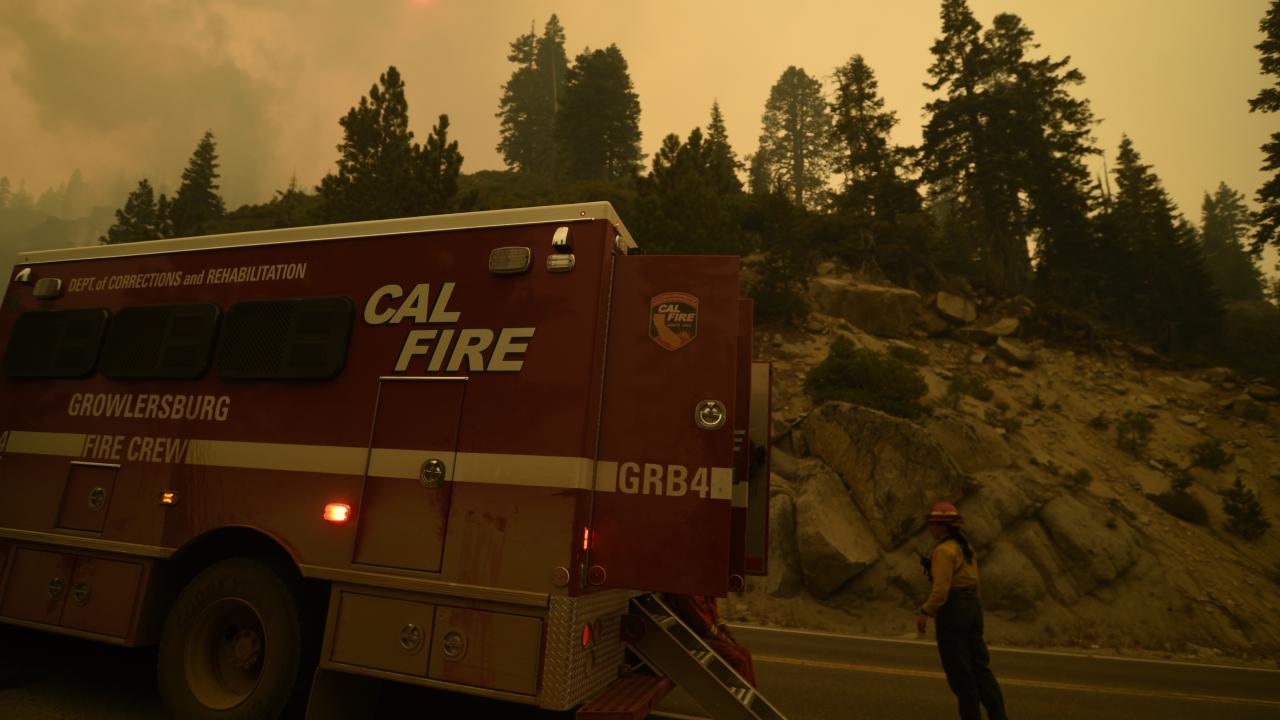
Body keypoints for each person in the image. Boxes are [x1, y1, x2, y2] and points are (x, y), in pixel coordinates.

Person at [915, 501, 1008, 720]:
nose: (930, 528)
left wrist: (925, 612)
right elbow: (975, 583)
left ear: (943, 526)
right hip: (973, 608)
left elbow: (941, 590)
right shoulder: (966, 548)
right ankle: (998, 715)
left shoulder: (943, 551)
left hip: (953, 611)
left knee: (960, 672)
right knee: (980, 667)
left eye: (933, 523)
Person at [663, 593, 757, 686]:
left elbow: (714, 613)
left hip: (706, 635)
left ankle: (752, 692)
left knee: (745, 653)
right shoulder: (686, 593)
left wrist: (726, 632)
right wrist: (725, 639)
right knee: (738, 660)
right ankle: (739, 691)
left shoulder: (706, 590)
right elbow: (703, 625)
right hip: (694, 637)